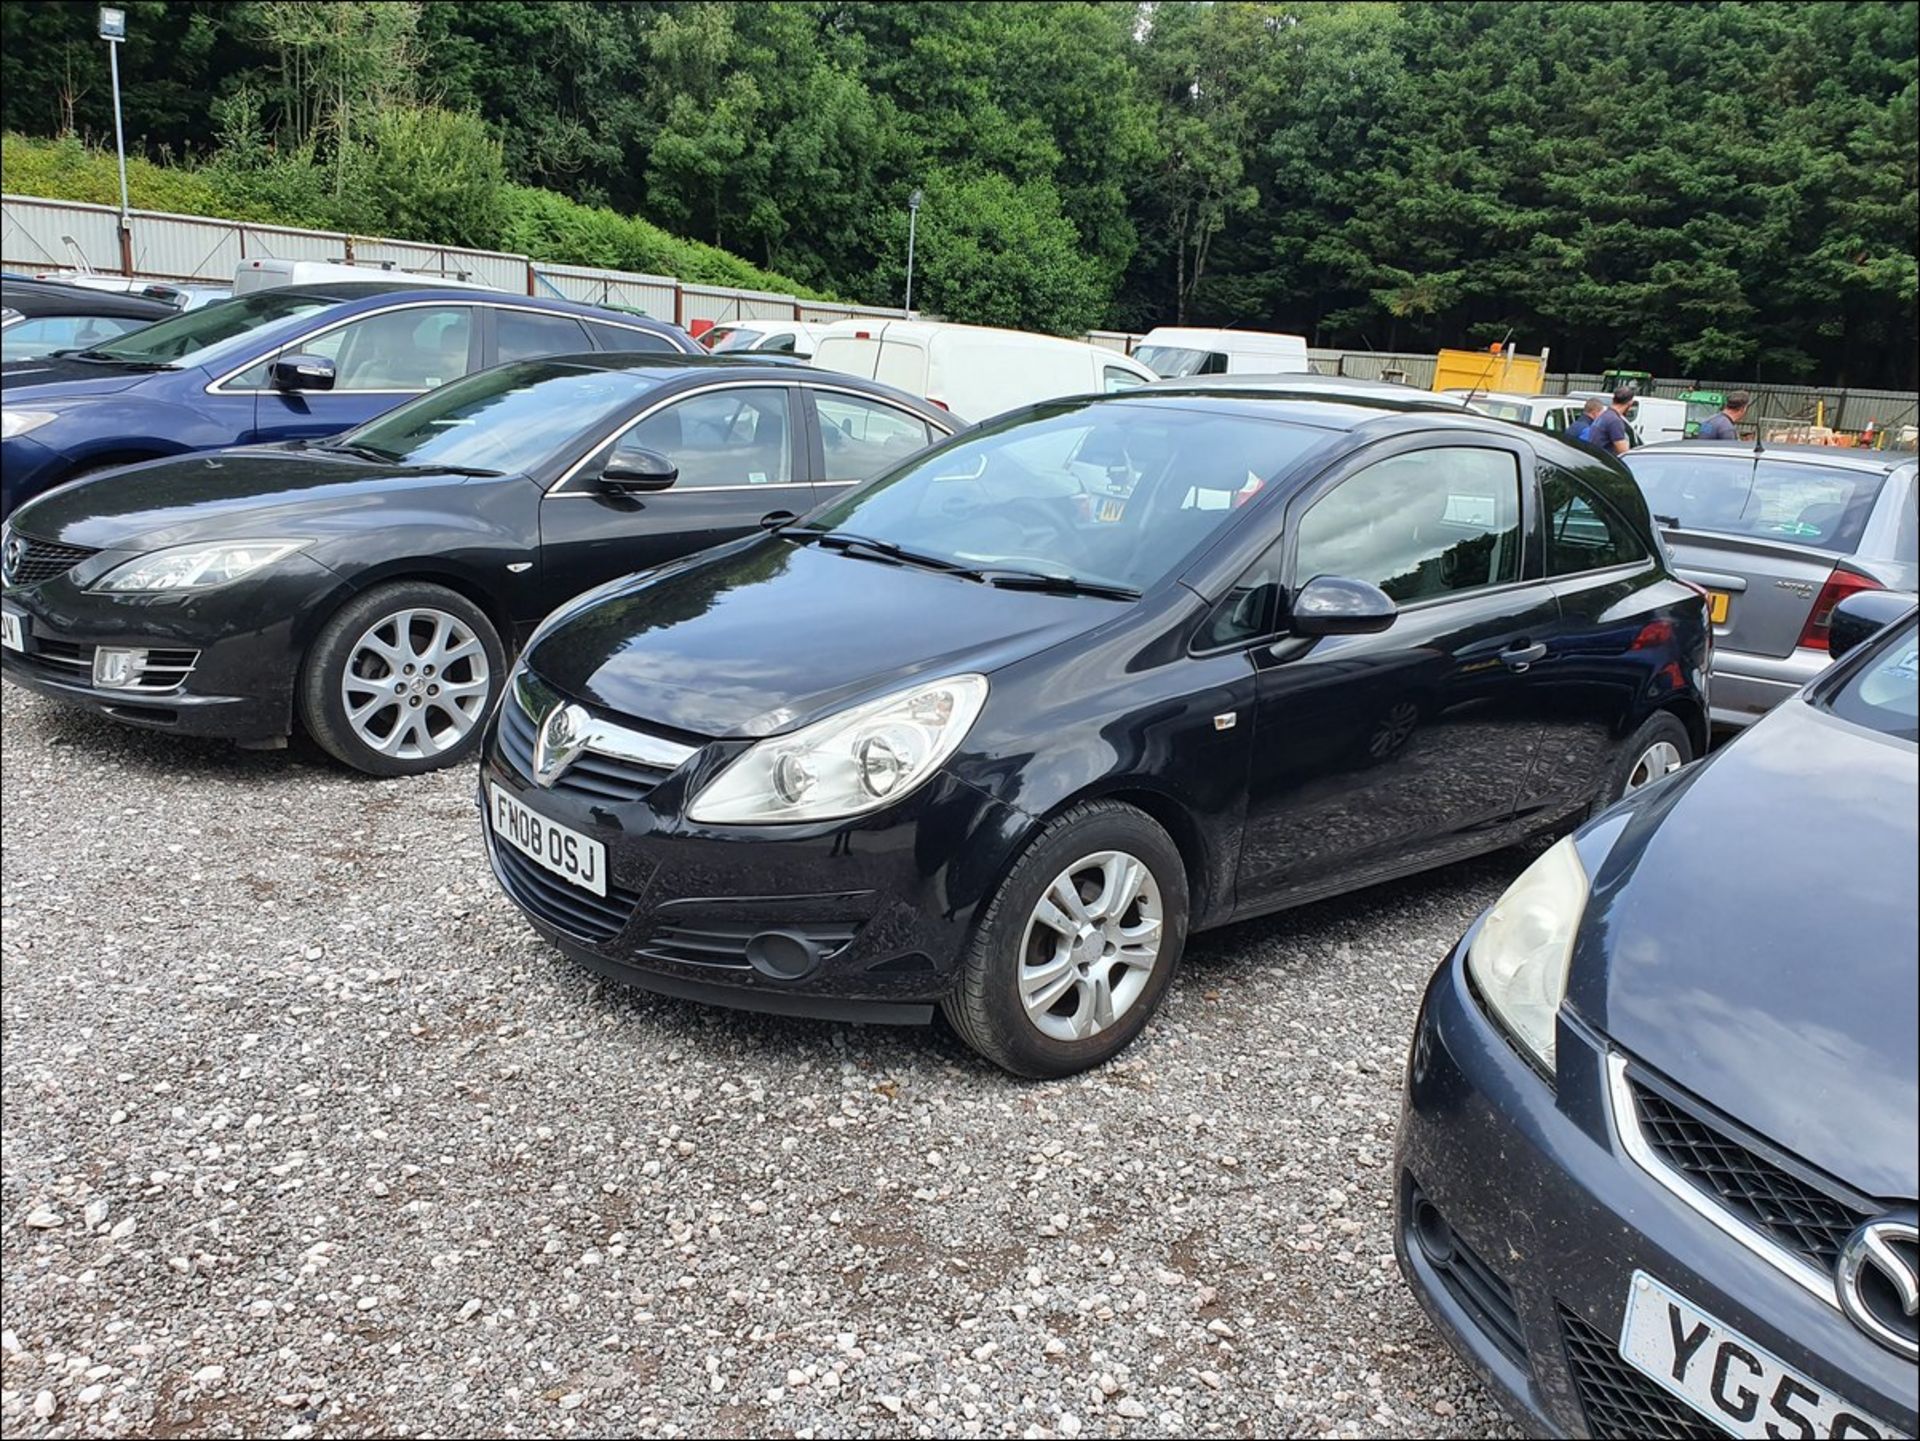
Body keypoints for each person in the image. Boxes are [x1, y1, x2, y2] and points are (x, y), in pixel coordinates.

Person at [1585, 387, 1635, 455]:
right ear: (1630, 403)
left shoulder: (1604, 416)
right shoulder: (1614, 421)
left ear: (1613, 400)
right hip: (1605, 462)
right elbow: (1624, 452)